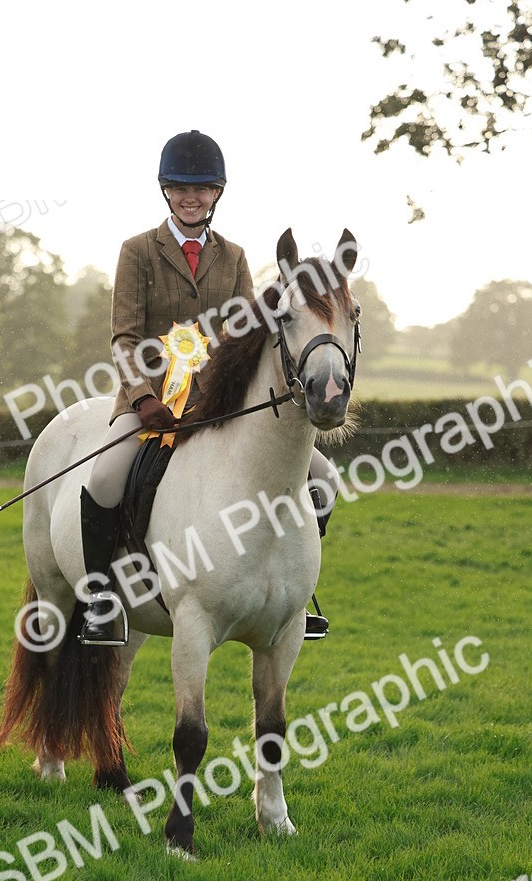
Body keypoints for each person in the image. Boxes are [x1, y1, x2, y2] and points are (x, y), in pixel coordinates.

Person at [78, 129, 338, 646]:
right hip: (151, 404)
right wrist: (144, 397)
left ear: (217, 193)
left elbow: (244, 338)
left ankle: (294, 594)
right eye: (179, 188)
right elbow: (125, 337)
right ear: (165, 191)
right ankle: (101, 599)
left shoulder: (235, 256)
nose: (190, 197)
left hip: (219, 405)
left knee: (325, 479)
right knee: (106, 478)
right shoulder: (137, 252)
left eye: (201, 188)